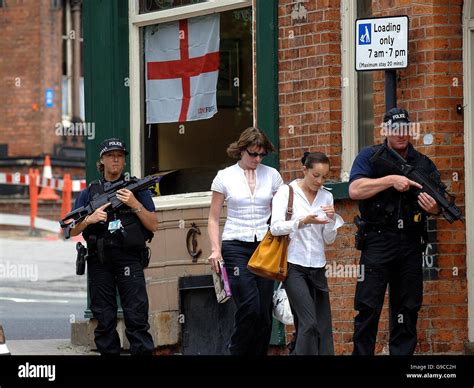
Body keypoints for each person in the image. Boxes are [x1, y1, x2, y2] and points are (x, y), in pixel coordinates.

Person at [349, 108, 442, 355]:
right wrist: (390, 180)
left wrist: (433, 208)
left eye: (405, 129)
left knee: (407, 307)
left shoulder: (422, 163)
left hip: (410, 242)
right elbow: (355, 190)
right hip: (377, 240)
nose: (401, 135)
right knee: (368, 306)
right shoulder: (369, 156)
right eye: (395, 129)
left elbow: (438, 205)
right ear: (385, 131)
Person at [69, 138, 157, 355]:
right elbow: (71, 229)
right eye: (110, 155)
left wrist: (134, 204)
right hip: (100, 260)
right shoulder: (89, 193)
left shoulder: (137, 189)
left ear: (124, 160)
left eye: (120, 155)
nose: (116, 158)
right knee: (105, 319)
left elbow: (153, 224)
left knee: (136, 317)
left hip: (130, 258)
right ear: (102, 161)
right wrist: (90, 219)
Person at [207, 127, 283, 355]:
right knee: (249, 305)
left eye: (261, 155)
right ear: (241, 150)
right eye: (253, 154)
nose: (257, 159)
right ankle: (237, 351)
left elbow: (280, 213)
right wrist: (215, 250)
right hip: (235, 246)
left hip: (265, 246)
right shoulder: (225, 177)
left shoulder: (272, 176)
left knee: (263, 310)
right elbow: (213, 217)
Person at [270, 152, 344, 355]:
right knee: (309, 323)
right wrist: (302, 221)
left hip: (317, 267)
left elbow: (328, 239)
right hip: (293, 266)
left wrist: (330, 220)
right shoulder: (287, 192)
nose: (320, 181)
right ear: (304, 170)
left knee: (322, 327)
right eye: (316, 175)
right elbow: (275, 228)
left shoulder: (326, 196)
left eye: (324, 177)